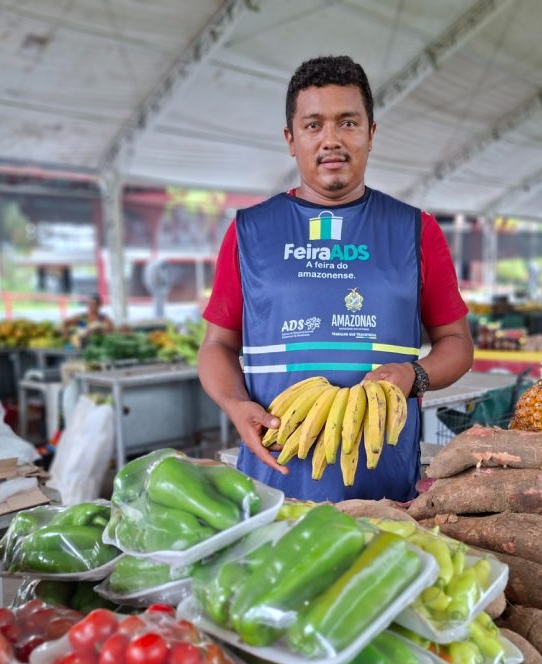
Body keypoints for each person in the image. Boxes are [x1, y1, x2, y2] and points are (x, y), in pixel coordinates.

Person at [198, 55, 474, 502]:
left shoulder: (415, 230)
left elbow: (457, 342)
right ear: (291, 140)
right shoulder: (250, 231)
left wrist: (415, 375)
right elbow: (216, 346)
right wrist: (235, 405)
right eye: (313, 125)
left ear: (371, 134)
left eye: (348, 123)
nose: (331, 140)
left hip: (385, 487)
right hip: (274, 482)